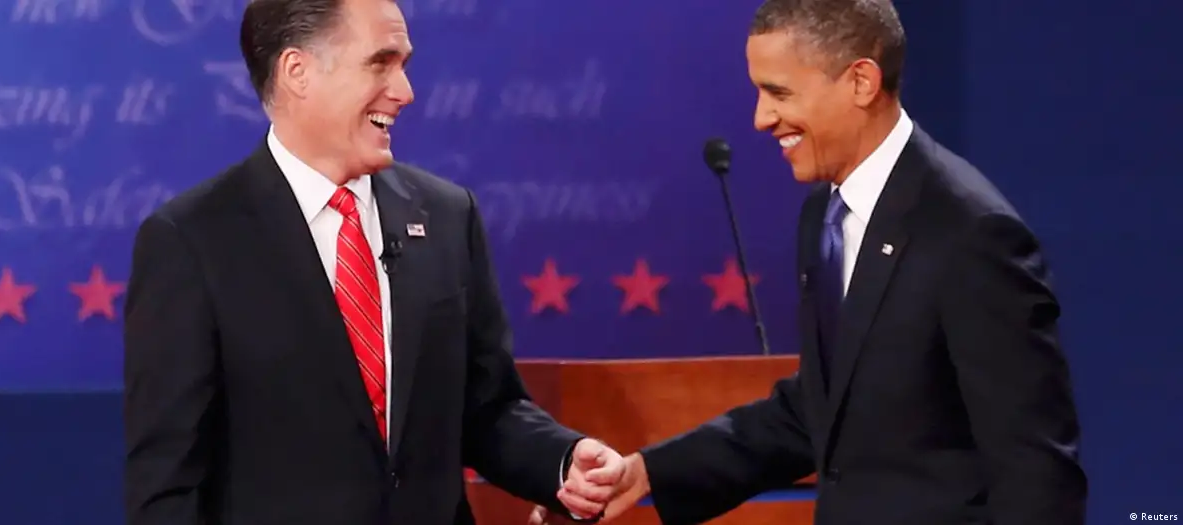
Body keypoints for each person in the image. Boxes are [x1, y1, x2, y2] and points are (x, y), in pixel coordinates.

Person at [536, 0, 1088, 524]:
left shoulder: (970, 233)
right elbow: (818, 411)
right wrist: (646, 473)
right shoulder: (824, 213)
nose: (761, 118)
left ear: (861, 82)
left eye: (778, 92)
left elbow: (1035, 470)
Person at [122, 0, 624, 523]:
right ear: (298, 71)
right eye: (380, 63)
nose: (405, 92)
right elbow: (167, 483)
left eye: (403, 65)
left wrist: (561, 462)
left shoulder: (448, 216)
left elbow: (487, 408)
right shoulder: (193, 241)